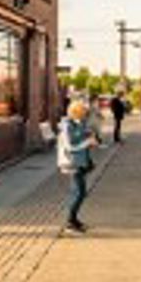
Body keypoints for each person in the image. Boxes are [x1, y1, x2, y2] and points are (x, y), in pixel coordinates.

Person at [58, 100, 98, 233]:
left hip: (80, 162)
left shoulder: (79, 123)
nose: (85, 114)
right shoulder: (67, 125)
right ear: (77, 112)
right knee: (80, 192)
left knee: (77, 192)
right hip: (73, 163)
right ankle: (70, 220)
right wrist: (87, 142)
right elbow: (71, 146)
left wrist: (90, 138)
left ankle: (73, 220)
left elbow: (80, 138)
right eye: (83, 112)